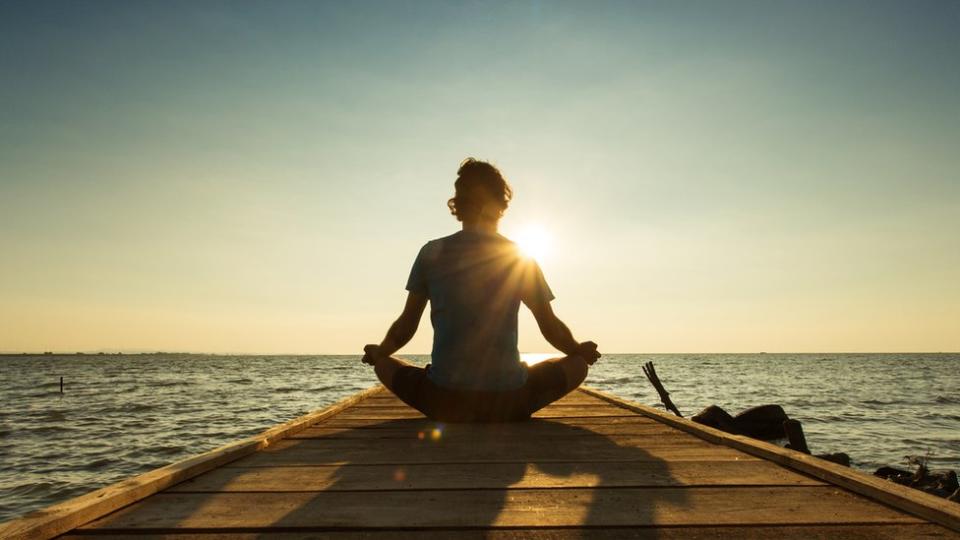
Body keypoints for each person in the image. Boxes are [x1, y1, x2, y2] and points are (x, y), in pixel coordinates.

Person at [362, 158, 600, 422]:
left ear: (458, 204)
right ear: (501, 204)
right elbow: (550, 326)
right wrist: (579, 349)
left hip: (444, 401)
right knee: (577, 365)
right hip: (508, 402)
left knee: (386, 364)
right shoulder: (518, 256)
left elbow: (405, 327)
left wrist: (379, 353)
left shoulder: (431, 253)